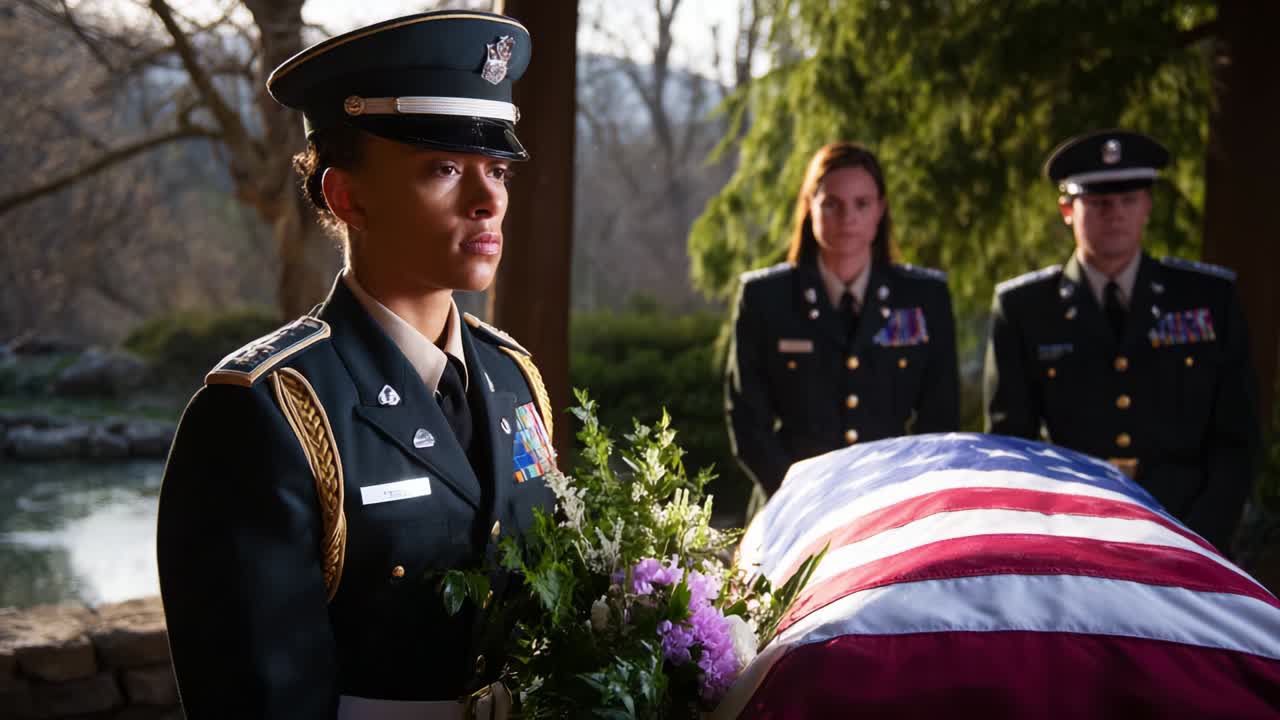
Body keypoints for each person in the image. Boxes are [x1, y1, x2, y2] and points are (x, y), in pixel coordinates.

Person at [156, 11, 557, 719]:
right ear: (349, 196)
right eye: (444, 168)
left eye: (496, 169)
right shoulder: (263, 413)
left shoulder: (514, 378)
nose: (488, 197)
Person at [983, 129, 1259, 553]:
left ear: (1147, 205)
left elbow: (1236, 439)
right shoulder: (1024, 309)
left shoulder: (1207, 299)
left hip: (1192, 534)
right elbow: (1011, 448)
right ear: (1067, 210)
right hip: (1073, 537)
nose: (1115, 214)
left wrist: (1201, 540)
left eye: (1128, 200)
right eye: (1098, 203)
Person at [725, 142, 960, 503]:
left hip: (892, 504)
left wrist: (906, 499)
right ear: (809, 207)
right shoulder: (765, 299)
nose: (847, 217)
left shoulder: (923, 298)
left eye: (861, 204)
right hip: (790, 503)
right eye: (832, 204)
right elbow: (748, 423)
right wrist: (800, 498)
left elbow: (939, 421)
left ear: (880, 210)